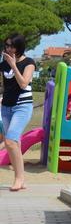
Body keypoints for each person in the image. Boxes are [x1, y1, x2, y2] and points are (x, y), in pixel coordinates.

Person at [2, 34, 35, 191]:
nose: (9, 48)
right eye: (7, 45)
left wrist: (14, 66)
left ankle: (18, 179)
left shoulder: (29, 63)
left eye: (12, 46)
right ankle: (21, 181)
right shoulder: (4, 63)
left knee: (10, 141)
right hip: (6, 107)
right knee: (13, 144)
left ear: (20, 47)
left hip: (22, 107)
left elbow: (23, 84)